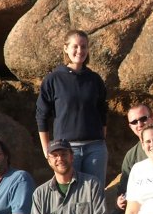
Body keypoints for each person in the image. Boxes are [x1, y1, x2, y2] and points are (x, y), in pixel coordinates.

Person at [36, 29, 109, 187]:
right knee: (70, 193)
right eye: (75, 46)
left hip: (95, 148)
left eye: (83, 46)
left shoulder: (94, 79)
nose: (79, 51)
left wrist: (101, 139)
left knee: (95, 193)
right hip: (66, 149)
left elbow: (102, 110)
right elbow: (41, 115)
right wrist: (46, 149)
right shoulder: (53, 79)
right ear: (66, 48)